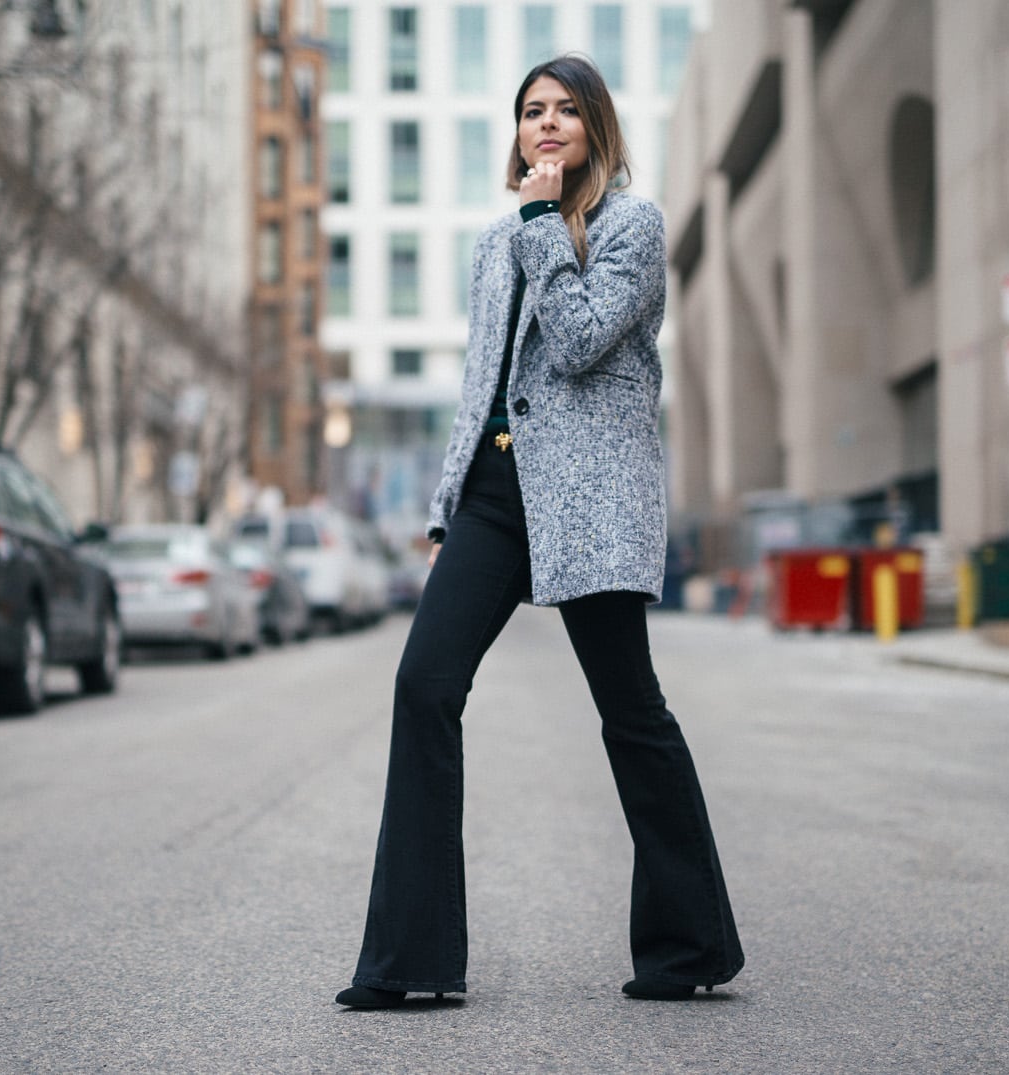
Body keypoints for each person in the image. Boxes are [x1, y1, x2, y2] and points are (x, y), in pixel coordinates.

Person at [334, 55, 744, 1010]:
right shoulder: (494, 242)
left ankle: (688, 946)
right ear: (516, 132)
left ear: (595, 128)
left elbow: (581, 338)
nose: (546, 124)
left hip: (591, 499)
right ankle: (412, 962)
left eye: (565, 110)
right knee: (423, 686)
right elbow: (479, 385)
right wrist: (445, 505)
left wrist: (541, 226)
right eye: (531, 112)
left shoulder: (633, 227)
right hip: (494, 495)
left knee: (630, 710)